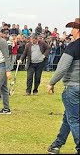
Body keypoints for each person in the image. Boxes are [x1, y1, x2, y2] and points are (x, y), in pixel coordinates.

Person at [47, 18, 79, 155]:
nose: (71, 31)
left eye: (72, 28)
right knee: (68, 117)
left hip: (73, 87)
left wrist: (51, 82)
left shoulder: (73, 46)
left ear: (77, 30)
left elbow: (62, 68)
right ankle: (57, 145)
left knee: (73, 119)